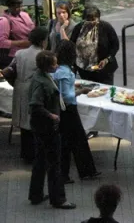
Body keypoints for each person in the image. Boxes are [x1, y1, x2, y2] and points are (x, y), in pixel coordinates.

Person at [28, 50, 76, 209]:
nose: (57, 66)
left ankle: (36, 194)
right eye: (54, 64)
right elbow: (35, 105)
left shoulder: (40, 76)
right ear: (47, 67)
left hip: (39, 125)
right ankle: (58, 198)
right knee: (55, 163)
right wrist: (52, 116)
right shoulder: (43, 83)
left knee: (40, 160)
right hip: (46, 126)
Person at [54, 40, 100, 183]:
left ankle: (79, 172)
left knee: (69, 141)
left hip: (64, 110)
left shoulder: (59, 70)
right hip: (69, 110)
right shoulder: (65, 72)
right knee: (76, 140)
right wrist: (82, 91)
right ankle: (84, 171)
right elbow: (66, 95)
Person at [1, 27, 48, 162]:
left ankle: (26, 153)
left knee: (23, 122)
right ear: (43, 41)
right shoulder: (43, 55)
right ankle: (35, 154)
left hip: (19, 88)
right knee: (34, 121)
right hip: (33, 89)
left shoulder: (20, 53)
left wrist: (15, 83)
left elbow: (9, 70)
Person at [70, 6, 119, 85]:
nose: (91, 22)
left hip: (104, 69)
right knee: (87, 91)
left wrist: (107, 59)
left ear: (98, 18)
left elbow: (115, 45)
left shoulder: (106, 27)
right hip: (84, 69)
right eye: (88, 20)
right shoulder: (78, 28)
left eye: (93, 19)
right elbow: (72, 45)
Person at [0, 0, 35, 68]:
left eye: (19, 6)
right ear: (8, 6)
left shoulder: (24, 15)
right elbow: (2, 42)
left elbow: (32, 29)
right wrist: (21, 43)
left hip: (29, 54)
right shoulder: (4, 20)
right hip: (14, 58)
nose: (17, 9)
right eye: (14, 7)